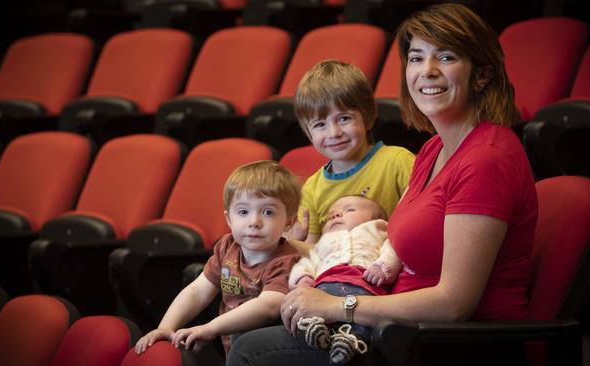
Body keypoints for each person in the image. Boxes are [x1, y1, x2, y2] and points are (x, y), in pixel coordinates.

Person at [227, 3, 538, 366]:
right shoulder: (433, 150)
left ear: (482, 75)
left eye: (447, 57)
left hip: (446, 344)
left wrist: (339, 305)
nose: (427, 71)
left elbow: (454, 304)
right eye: (417, 58)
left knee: (250, 350)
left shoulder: (486, 157)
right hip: (395, 327)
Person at [134, 160, 302, 359]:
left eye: (268, 212)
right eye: (243, 212)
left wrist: (210, 328)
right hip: (234, 348)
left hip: (266, 355)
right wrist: (166, 326)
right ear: (229, 219)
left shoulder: (287, 261)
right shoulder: (227, 246)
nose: (254, 222)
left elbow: (268, 307)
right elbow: (197, 291)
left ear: (289, 222)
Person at [287, 60, 415, 246]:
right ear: (308, 133)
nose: (334, 133)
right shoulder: (311, 189)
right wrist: (290, 245)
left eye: (344, 118)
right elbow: (313, 251)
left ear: (368, 118)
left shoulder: (398, 161)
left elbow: (425, 221)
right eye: (320, 125)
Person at [289, 195, 401, 364]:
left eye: (349, 210)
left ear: (377, 219)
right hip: (325, 286)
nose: (334, 216)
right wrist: (303, 277)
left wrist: (383, 266)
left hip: (365, 282)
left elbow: (393, 249)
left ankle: (351, 340)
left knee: (363, 318)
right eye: (329, 216)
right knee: (310, 310)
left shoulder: (379, 231)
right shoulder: (324, 242)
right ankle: (317, 332)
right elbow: (309, 261)